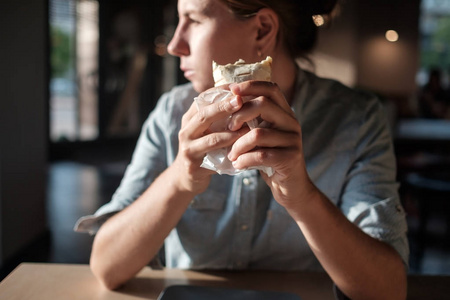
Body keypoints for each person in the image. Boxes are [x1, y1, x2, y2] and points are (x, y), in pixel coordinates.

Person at [75, 0, 409, 298]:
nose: (175, 44)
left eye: (194, 19)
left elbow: (387, 290)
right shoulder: (171, 114)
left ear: (262, 29)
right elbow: (107, 267)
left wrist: (302, 197)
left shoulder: (356, 119)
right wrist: (180, 178)